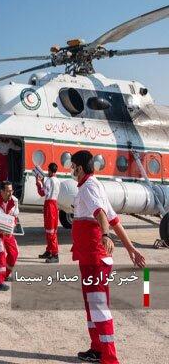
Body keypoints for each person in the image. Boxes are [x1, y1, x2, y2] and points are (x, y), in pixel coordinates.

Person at [70, 150, 145, 363]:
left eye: (73, 166)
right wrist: (131, 248)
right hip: (89, 259)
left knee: (99, 307)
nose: (71, 169)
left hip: (95, 259)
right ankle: (97, 349)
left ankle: (109, 358)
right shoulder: (94, 186)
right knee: (93, 305)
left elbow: (101, 215)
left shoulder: (88, 188)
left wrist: (104, 235)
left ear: (80, 168)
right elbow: (114, 219)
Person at [36, 162, 61, 263]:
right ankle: (49, 250)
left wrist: (38, 183)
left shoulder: (49, 181)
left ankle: (55, 254)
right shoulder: (58, 181)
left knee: (50, 231)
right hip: (54, 205)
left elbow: (42, 193)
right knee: (51, 230)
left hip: (49, 205)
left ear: (50, 170)